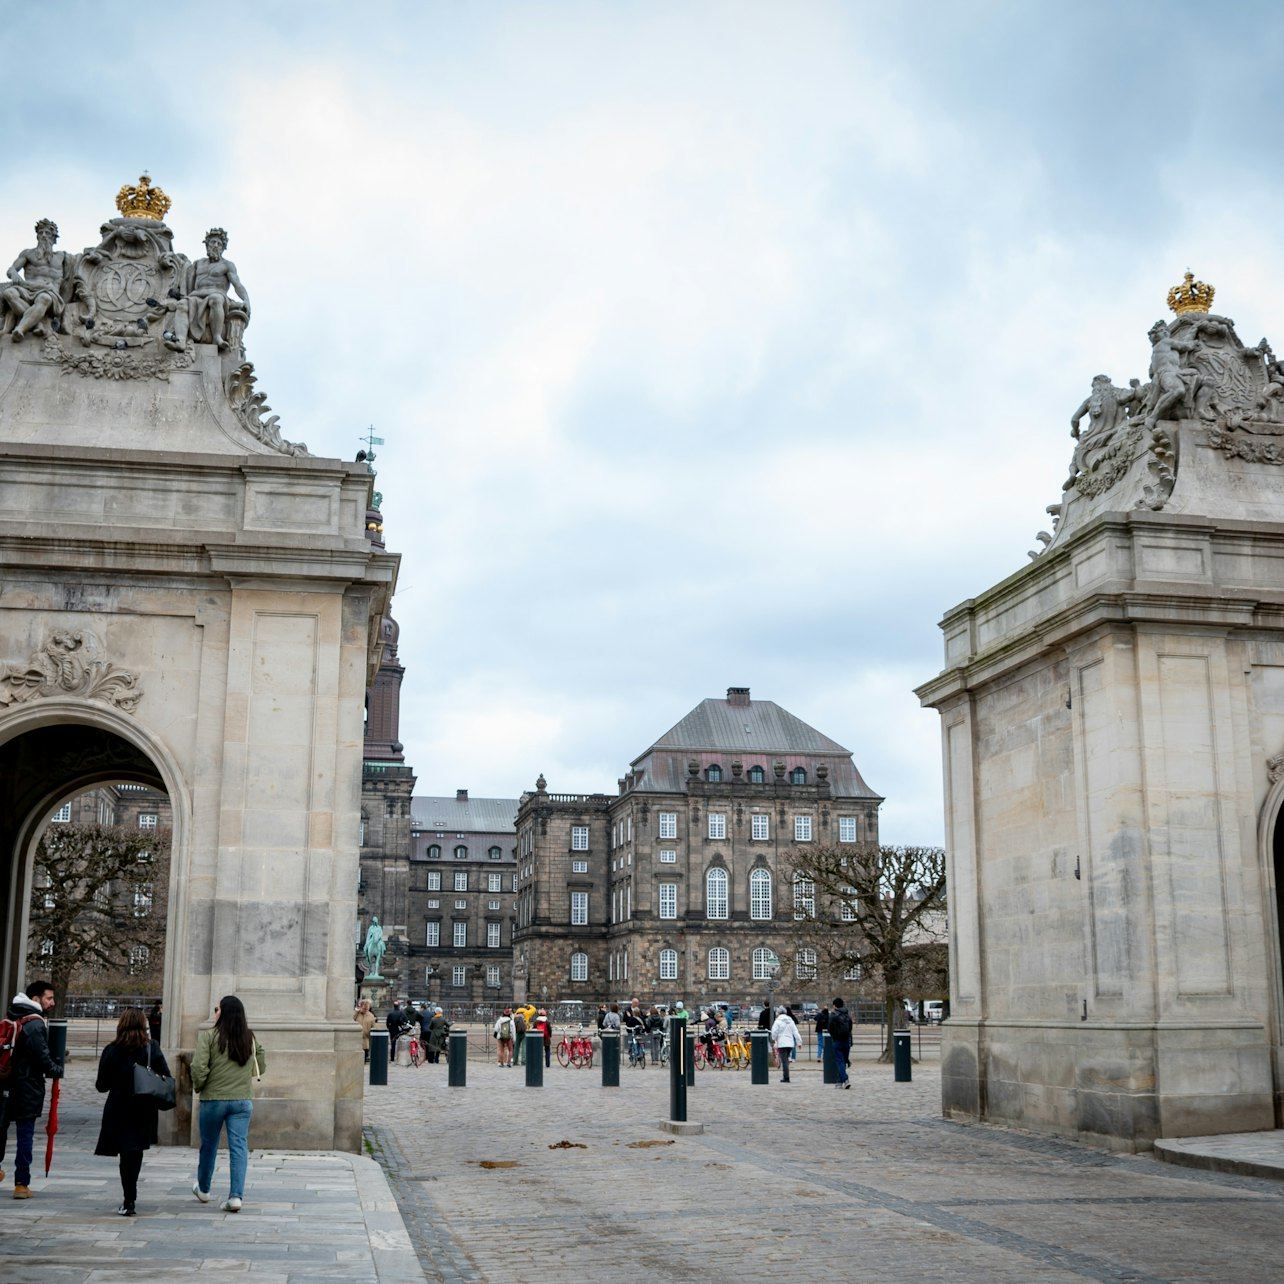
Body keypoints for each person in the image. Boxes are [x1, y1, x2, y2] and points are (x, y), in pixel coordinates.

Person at [191, 995, 266, 1213]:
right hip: (242, 1100)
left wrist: (200, 1086)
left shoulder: (209, 1036)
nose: (215, 1012)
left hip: (213, 1099)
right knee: (239, 1147)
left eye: (217, 1008)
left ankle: (204, 1189)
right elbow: (261, 1061)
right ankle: (235, 1196)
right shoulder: (249, 1037)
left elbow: (198, 1067)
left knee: (209, 1145)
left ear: (222, 1012)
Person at [95, 1008, 172, 1215]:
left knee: (124, 1153)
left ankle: (129, 1198)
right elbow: (165, 1075)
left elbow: (101, 1085)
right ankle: (131, 1197)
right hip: (143, 1107)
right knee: (135, 1152)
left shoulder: (111, 1050)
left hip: (118, 1106)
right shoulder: (151, 1048)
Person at [0, 980, 61, 1198]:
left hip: (5, 1083)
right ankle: (21, 1184)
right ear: (35, 999)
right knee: (25, 1134)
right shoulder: (35, 1024)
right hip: (27, 1087)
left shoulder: (10, 1016)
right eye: (48, 998)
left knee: (1, 1129)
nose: (52, 1003)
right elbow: (42, 1057)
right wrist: (56, 1068)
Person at [770, 1006, 800, 1083]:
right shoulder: (790, 1020)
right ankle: (786, 1076)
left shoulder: (777, 1021)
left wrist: (774, 1038)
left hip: (782, 1043)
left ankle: (786, 1078)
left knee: (784, 1061)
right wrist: (799, 1042)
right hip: (790, 1043)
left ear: (779, 1013)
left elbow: (774, 1032)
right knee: (786, 1060)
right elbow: (795, 1032)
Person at [828, 997, 853, 1089]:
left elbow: (829, 1028)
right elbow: (850, 1028)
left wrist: (834, 1036)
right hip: (846, 1040)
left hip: (837, 1040)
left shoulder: (833, 1015)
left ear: (834, 1005)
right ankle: (839, 1082)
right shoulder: (847, 1015)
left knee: (840, 1061)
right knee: (844, 1061)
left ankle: (845, 1080)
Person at [354, 999, 376, 1064]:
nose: (365, 1010)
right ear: (361, 1007)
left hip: (366, 1039)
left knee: (364, 1055)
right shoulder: (357, 1014)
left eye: (367, 1009)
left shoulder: (371, 1016)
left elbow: (373, 1026)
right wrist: (356, 1012)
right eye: (364, 1008)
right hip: (356, 1038)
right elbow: (351, 1020)